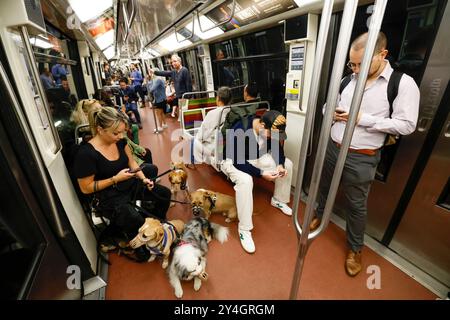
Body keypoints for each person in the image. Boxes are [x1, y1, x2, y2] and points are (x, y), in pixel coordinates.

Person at [310, 31, 420, 276]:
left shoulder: (402, 84)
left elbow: (407, 124)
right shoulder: (348, 80)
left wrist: (362, 119)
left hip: (362, 155)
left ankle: (355, 248)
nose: (356, 69)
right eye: (353, 64)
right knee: (324, 187)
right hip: (333, 146)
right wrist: (333, 112)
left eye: (361, 64)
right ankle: (318, 215)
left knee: (356, 205)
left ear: (383, 55)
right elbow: (329, 105)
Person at [74, 107, 171, 257]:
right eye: (116, 133)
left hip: (128, 184)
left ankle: (154, 223)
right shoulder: (86, 154)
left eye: (122, 132)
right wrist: (115, 179)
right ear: (100, 129)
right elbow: (86, 188)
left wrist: (144, 179)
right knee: (136, 227)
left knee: (164, 194)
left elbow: (132, 164)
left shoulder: (120, 142)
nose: (121, 136)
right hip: (108, 197)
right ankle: (133, 233)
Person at [220, 110, 293, 253]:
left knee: (288, 164)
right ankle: (244, 229)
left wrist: (280, 164)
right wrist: (261, 173)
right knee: (246, 181)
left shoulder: (269, 130)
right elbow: (238, 162)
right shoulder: (240, 129)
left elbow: (277, 149)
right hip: (233, 160)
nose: (273, 137)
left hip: (254, 156)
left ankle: (279, 199)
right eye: (271, 134)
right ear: (262, 125)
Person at [192, 86, 232, 164]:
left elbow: (201, 136)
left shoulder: (212, 113)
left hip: (216, 147)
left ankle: (202, 161)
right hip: (228, 144)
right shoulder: (233, 111)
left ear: (218, 99)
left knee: (195, 141)